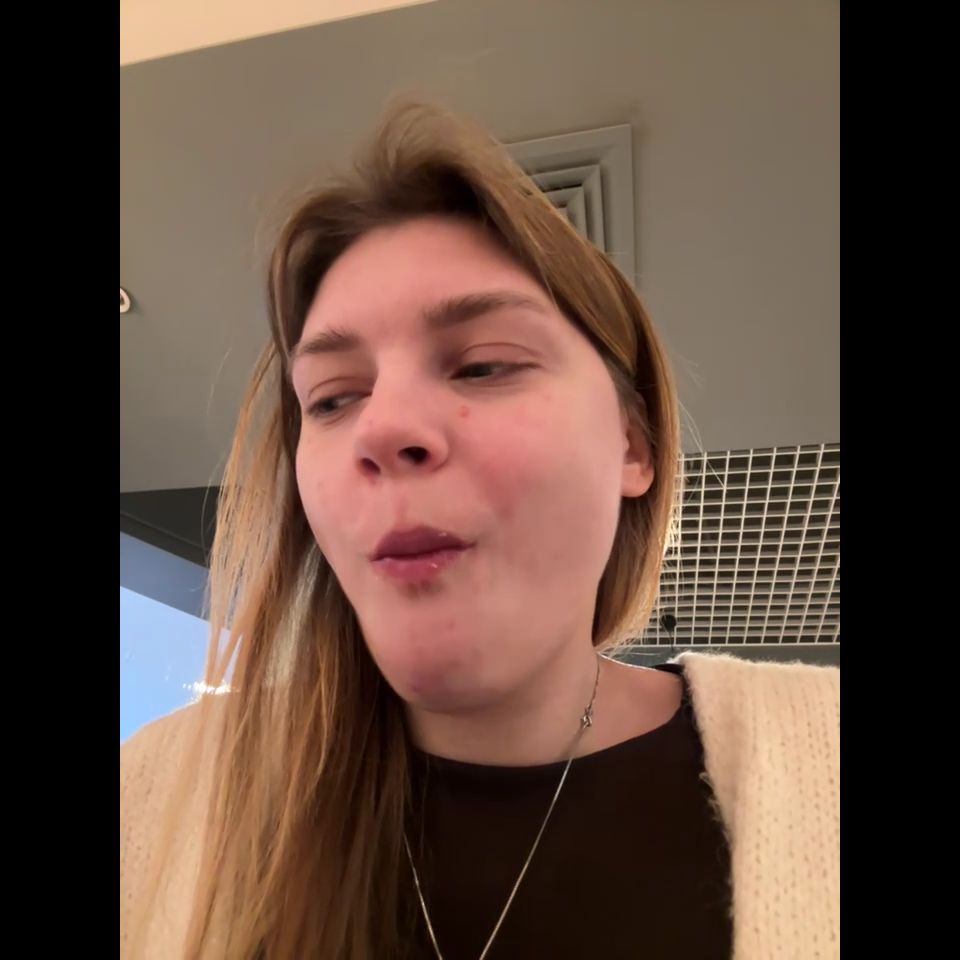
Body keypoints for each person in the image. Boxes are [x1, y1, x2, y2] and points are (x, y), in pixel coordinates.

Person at [120, 102, 839, 960]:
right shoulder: (148, 798)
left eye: (484, 364)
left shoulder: (823, 753)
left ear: (631, 445)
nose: (383, 427)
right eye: (335, 398)